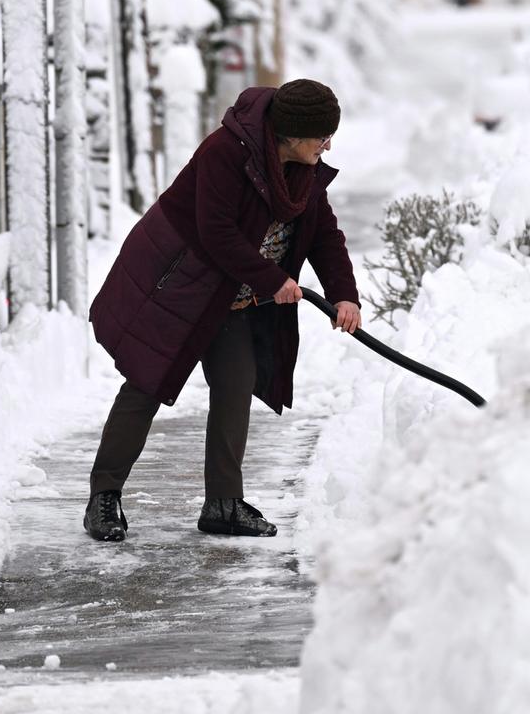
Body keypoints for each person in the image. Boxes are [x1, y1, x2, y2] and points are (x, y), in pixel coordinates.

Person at [84, 78, 362, 542]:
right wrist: (274, 280)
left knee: (236, 383)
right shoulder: (225, 153)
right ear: (291, 134)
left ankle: (223, 503)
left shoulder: (303, 170)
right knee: (147, 384)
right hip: (180, 285)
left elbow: (323, 234)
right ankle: (104, 498)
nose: (328, 144)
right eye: (321, 136)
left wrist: (344, 294)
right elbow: (216, 232)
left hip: (235, 296)